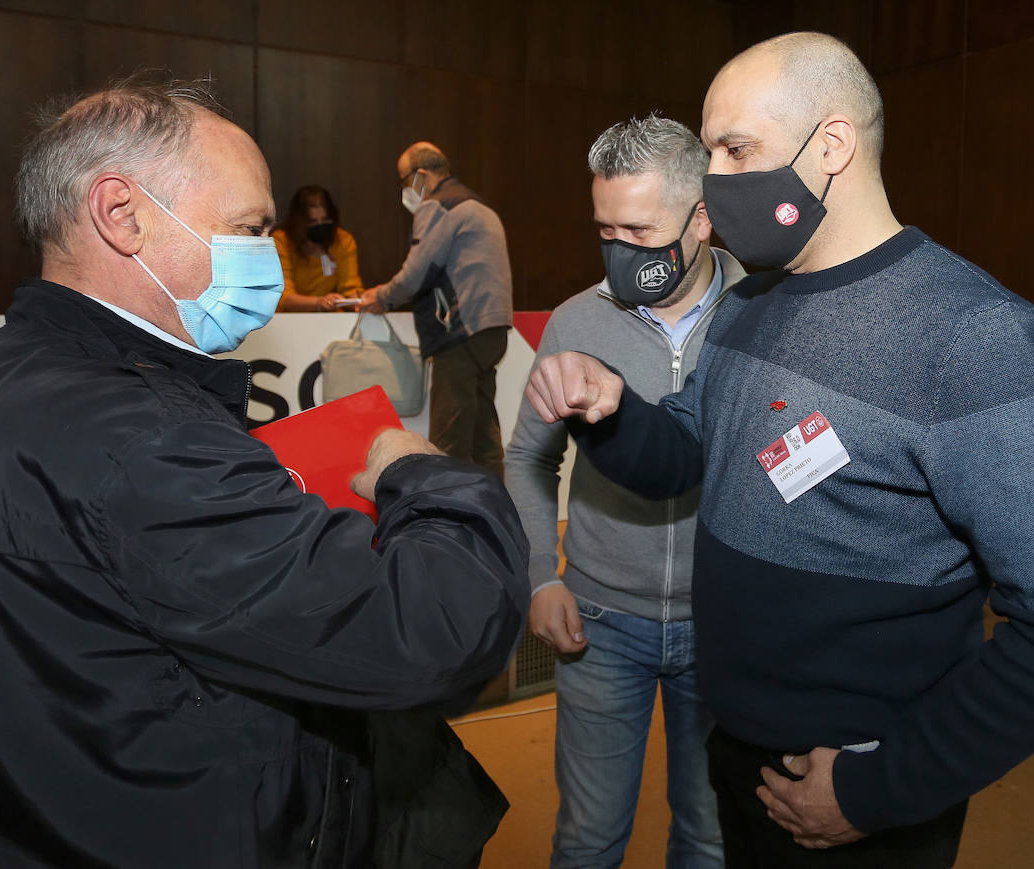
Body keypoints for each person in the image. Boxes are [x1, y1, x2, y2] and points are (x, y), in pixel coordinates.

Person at [525, 32, 1034, 868]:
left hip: (857, 790)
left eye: (737, 149)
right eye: (710, 153)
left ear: (833, 145)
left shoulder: (975, 337)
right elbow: (685, 457)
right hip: (735, 747)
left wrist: (877, 790)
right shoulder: (748, 305)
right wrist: (611, 410)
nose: (715, 179)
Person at [0, 79, 529, 868]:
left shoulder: (9, 376)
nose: (265, 255)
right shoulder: (144, 438)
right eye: (247, 227)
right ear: (121, 213)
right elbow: (439, 628)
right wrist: (421, 475)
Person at [506, 115, 739, 868]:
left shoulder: (764, 312)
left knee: (710, 834)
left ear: (701, 217)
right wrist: (541, 573)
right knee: (587, 838)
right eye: (605, 229)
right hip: (601, 623)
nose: (619, 254)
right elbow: (528, 459)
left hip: (728, 627)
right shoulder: (578, 319)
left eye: (639, 230)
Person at [361, 142, 512, 478]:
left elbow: (416, 274)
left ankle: (449, 525)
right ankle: (498, 519)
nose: (403, 190)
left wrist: (381, 297)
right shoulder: (479, 205)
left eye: (403, 180)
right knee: (483, 437)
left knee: (448, 441)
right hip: (491, 329)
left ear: (421, 175)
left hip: (458, 330)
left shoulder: (438, 207)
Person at [272, 184, 364, 311]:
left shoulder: (342, 240)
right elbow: (282, 296)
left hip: (329, 313)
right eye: (313, 222)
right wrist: (318, 303)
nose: (320, 227)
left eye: (324, 221)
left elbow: (350, 287)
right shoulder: (281, 241)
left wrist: (362, 301)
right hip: (290, 319)